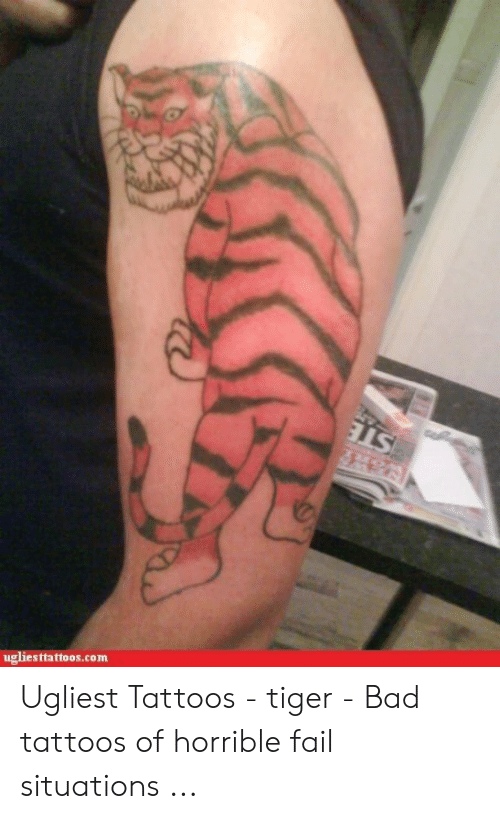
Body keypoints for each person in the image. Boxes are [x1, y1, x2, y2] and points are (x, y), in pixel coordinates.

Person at [0, 0, 423, 648]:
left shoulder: (247, 27)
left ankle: (213, 536)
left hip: (57, 623)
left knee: (260, 422)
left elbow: (212, 617)